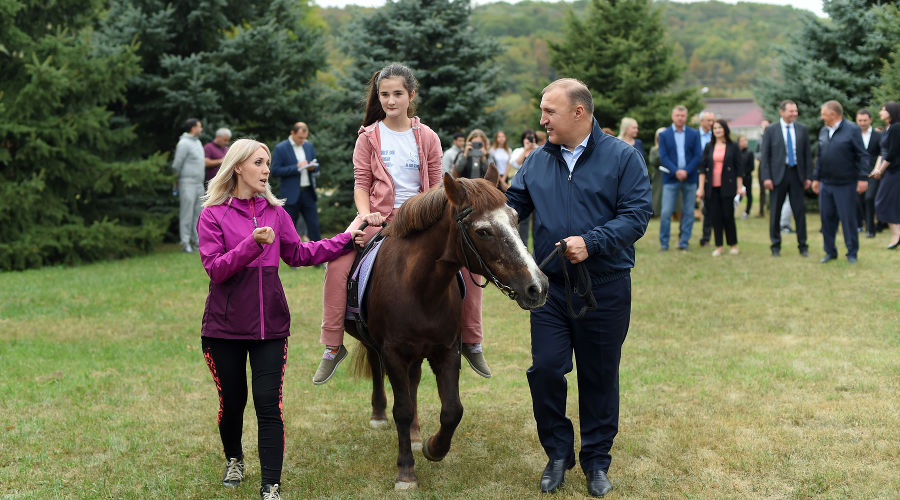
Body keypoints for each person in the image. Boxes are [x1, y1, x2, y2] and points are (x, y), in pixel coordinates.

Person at [506, 78, 651, 498]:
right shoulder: (535, 162)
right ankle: (557, 453)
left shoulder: (623, 158)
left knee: (599, 376)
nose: (541, 119)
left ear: (579, 113)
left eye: (549, 111)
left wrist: (592, 242)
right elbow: (512, 208)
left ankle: (596, 461)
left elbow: (637, 215)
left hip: (604, 289)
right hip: (549, 291)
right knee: (547, 369)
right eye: (542, 110)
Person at [198, 139, 361, 500]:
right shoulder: (213, 214)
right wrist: (251, 245)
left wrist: (346, 240)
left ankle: (271, 484)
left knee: (268, 403)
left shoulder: (275, 212)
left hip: (270, 327)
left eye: (268, 163)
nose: (267, 169)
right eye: (259, 162)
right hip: (223, 330)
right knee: (233, 402)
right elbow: (216, 269)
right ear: (238, 166)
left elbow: (299, 253)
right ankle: (234, 458)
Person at [316, 63, 491, 385]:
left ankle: (470, 339)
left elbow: (439, 184)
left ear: (411, 95)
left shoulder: (427, 137)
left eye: (398, 94)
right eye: (384, 94)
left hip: (424, 215)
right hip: (378, 215)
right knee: (337, 262)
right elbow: (361, 183)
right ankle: (332, 345)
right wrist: (366, 213)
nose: (391, 101)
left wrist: (434, 215)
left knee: (470, 262)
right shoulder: (368, 137)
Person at [812, 100, 869, 263]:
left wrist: (863, 178)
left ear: (833, 114)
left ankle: (852, 253)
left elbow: (863, 155)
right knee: (827, 219)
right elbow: (821, 156)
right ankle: (830, 252)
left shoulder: (851, 130)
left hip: (846, 184)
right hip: (826, 184)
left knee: (848, 219)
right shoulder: (823, 131)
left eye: (823, 114)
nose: (821, 117)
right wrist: (816, 178)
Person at [760, 100, 812, 257]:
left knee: (799, 212)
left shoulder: (802, 129)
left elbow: (807, 155)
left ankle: (803, 246)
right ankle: (775, 245)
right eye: (791, 111)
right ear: (781, 112)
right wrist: (766, 177)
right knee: (775, 212)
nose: (794, 114)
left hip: (797, 175)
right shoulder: (771, 130)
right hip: (777, 176)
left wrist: (808, 176)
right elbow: (765, 156)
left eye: (795, 111)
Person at [696, 120, 744, 256]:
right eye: (715, 128)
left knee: (728, 216)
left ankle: (733, 244)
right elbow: (702, 169)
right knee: (715, 217)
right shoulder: (708, 146)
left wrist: (740, 187)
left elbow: (739, 169)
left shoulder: (733, 146)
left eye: (720, 128)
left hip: (728, 186)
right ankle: (719, 246)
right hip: (712, 187)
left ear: (725, 130)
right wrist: (701, 188)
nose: (717, 130)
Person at [658, 105, 702, 251]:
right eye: (678, 115)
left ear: (686, 117)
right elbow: (663, 157)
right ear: (673, 116)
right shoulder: (664, 135)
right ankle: (664, 243)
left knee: (689, 212)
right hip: (671, 178)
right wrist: (676, 171)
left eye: (683, 116)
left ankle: (684, 241)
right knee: (666, 212)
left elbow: (697, 156)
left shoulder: (694, 134)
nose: (680, 118)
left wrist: (686, 171)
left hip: (690, 178)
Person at [271, 122, 321, 243]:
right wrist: (296, 167)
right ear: (292, 133)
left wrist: (313, 167)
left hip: (308, 192)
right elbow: (275, 171)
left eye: (305, 137)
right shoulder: (281, 148)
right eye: (300, 138)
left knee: (314, 225)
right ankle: (288, 255)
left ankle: (319, 258)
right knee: (288, 228)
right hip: (291, 194)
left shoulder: (308, 146)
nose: (302, 140)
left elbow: (316, 165)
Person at [869, 102, 900, 249]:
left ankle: (896, 235)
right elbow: (882, 152)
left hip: (895, 171)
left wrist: (881, 170)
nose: (880, 112)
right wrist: (877, 169)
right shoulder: (887, 129)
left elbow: (893, 153)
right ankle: (897, 235)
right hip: (888, 171)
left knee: (884, 202)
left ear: (891, 112)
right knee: (885, 202)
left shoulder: (896, 127)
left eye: (883, 110)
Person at [172, 118, 205, 253]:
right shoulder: (183, 143)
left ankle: (197, 241)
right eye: (199, 126)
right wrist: (175, 181)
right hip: (187, 183)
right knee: (187, 213)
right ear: (193, 128)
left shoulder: (198, 143)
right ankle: (185, 243)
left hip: (199, 183)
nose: (201, 129)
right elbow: (176, 165)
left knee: (199, 213)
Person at [508, 130, 540, 246]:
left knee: (538, 221)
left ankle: (537, 246)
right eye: (527, 138)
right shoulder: (519, 151)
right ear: (523, 139)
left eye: (532, 138)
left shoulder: (539, 150)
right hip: (523, 190)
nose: (530, 140)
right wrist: (526, 150)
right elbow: (515, 164)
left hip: (537, 190)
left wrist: (534, 148)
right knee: (523, 223)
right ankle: (524, 246)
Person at [856, 109, 882, 237]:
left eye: (865, 120)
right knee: (858, 199)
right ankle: (859, 225)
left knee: (869, 198)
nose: (862, 123)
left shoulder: (878, 136)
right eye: (860, 120)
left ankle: (870, 229)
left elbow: (882, 153)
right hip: (857, 172)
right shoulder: (854, 134)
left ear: (870, 120)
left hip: (873, 172)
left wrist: (877, 169)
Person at [697, 111, 716, 247]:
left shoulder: (716, 137)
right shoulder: (694, 136)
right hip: (694, 175)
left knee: (708, 208)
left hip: (710, 177)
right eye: (708, 120)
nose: (711, 123)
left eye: (712, 121)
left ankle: (707, 236)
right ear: (701, 121)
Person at [647, 127, 666, 217]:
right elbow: (654, 161)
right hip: (658, 178)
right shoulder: (654, 149)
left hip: (671, 178)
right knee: (658, 199)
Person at [757, 118, 771, 217]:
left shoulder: (773, 137)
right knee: (762, 189)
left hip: (772, 166)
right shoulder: (759, 139)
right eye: (763, 125)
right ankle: (761, 210)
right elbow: (756, 152)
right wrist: (761, 157)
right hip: (762, 165)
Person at [738, 135, 754, 218]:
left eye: (745, 140)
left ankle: (747, 212)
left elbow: (752, 167)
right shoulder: (736, 152)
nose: (744, 142)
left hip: (747, 177)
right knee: (738, 195)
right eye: (742, 140)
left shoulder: (749, 152)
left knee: (749, 194)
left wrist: (744, 173)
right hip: (738, 178)